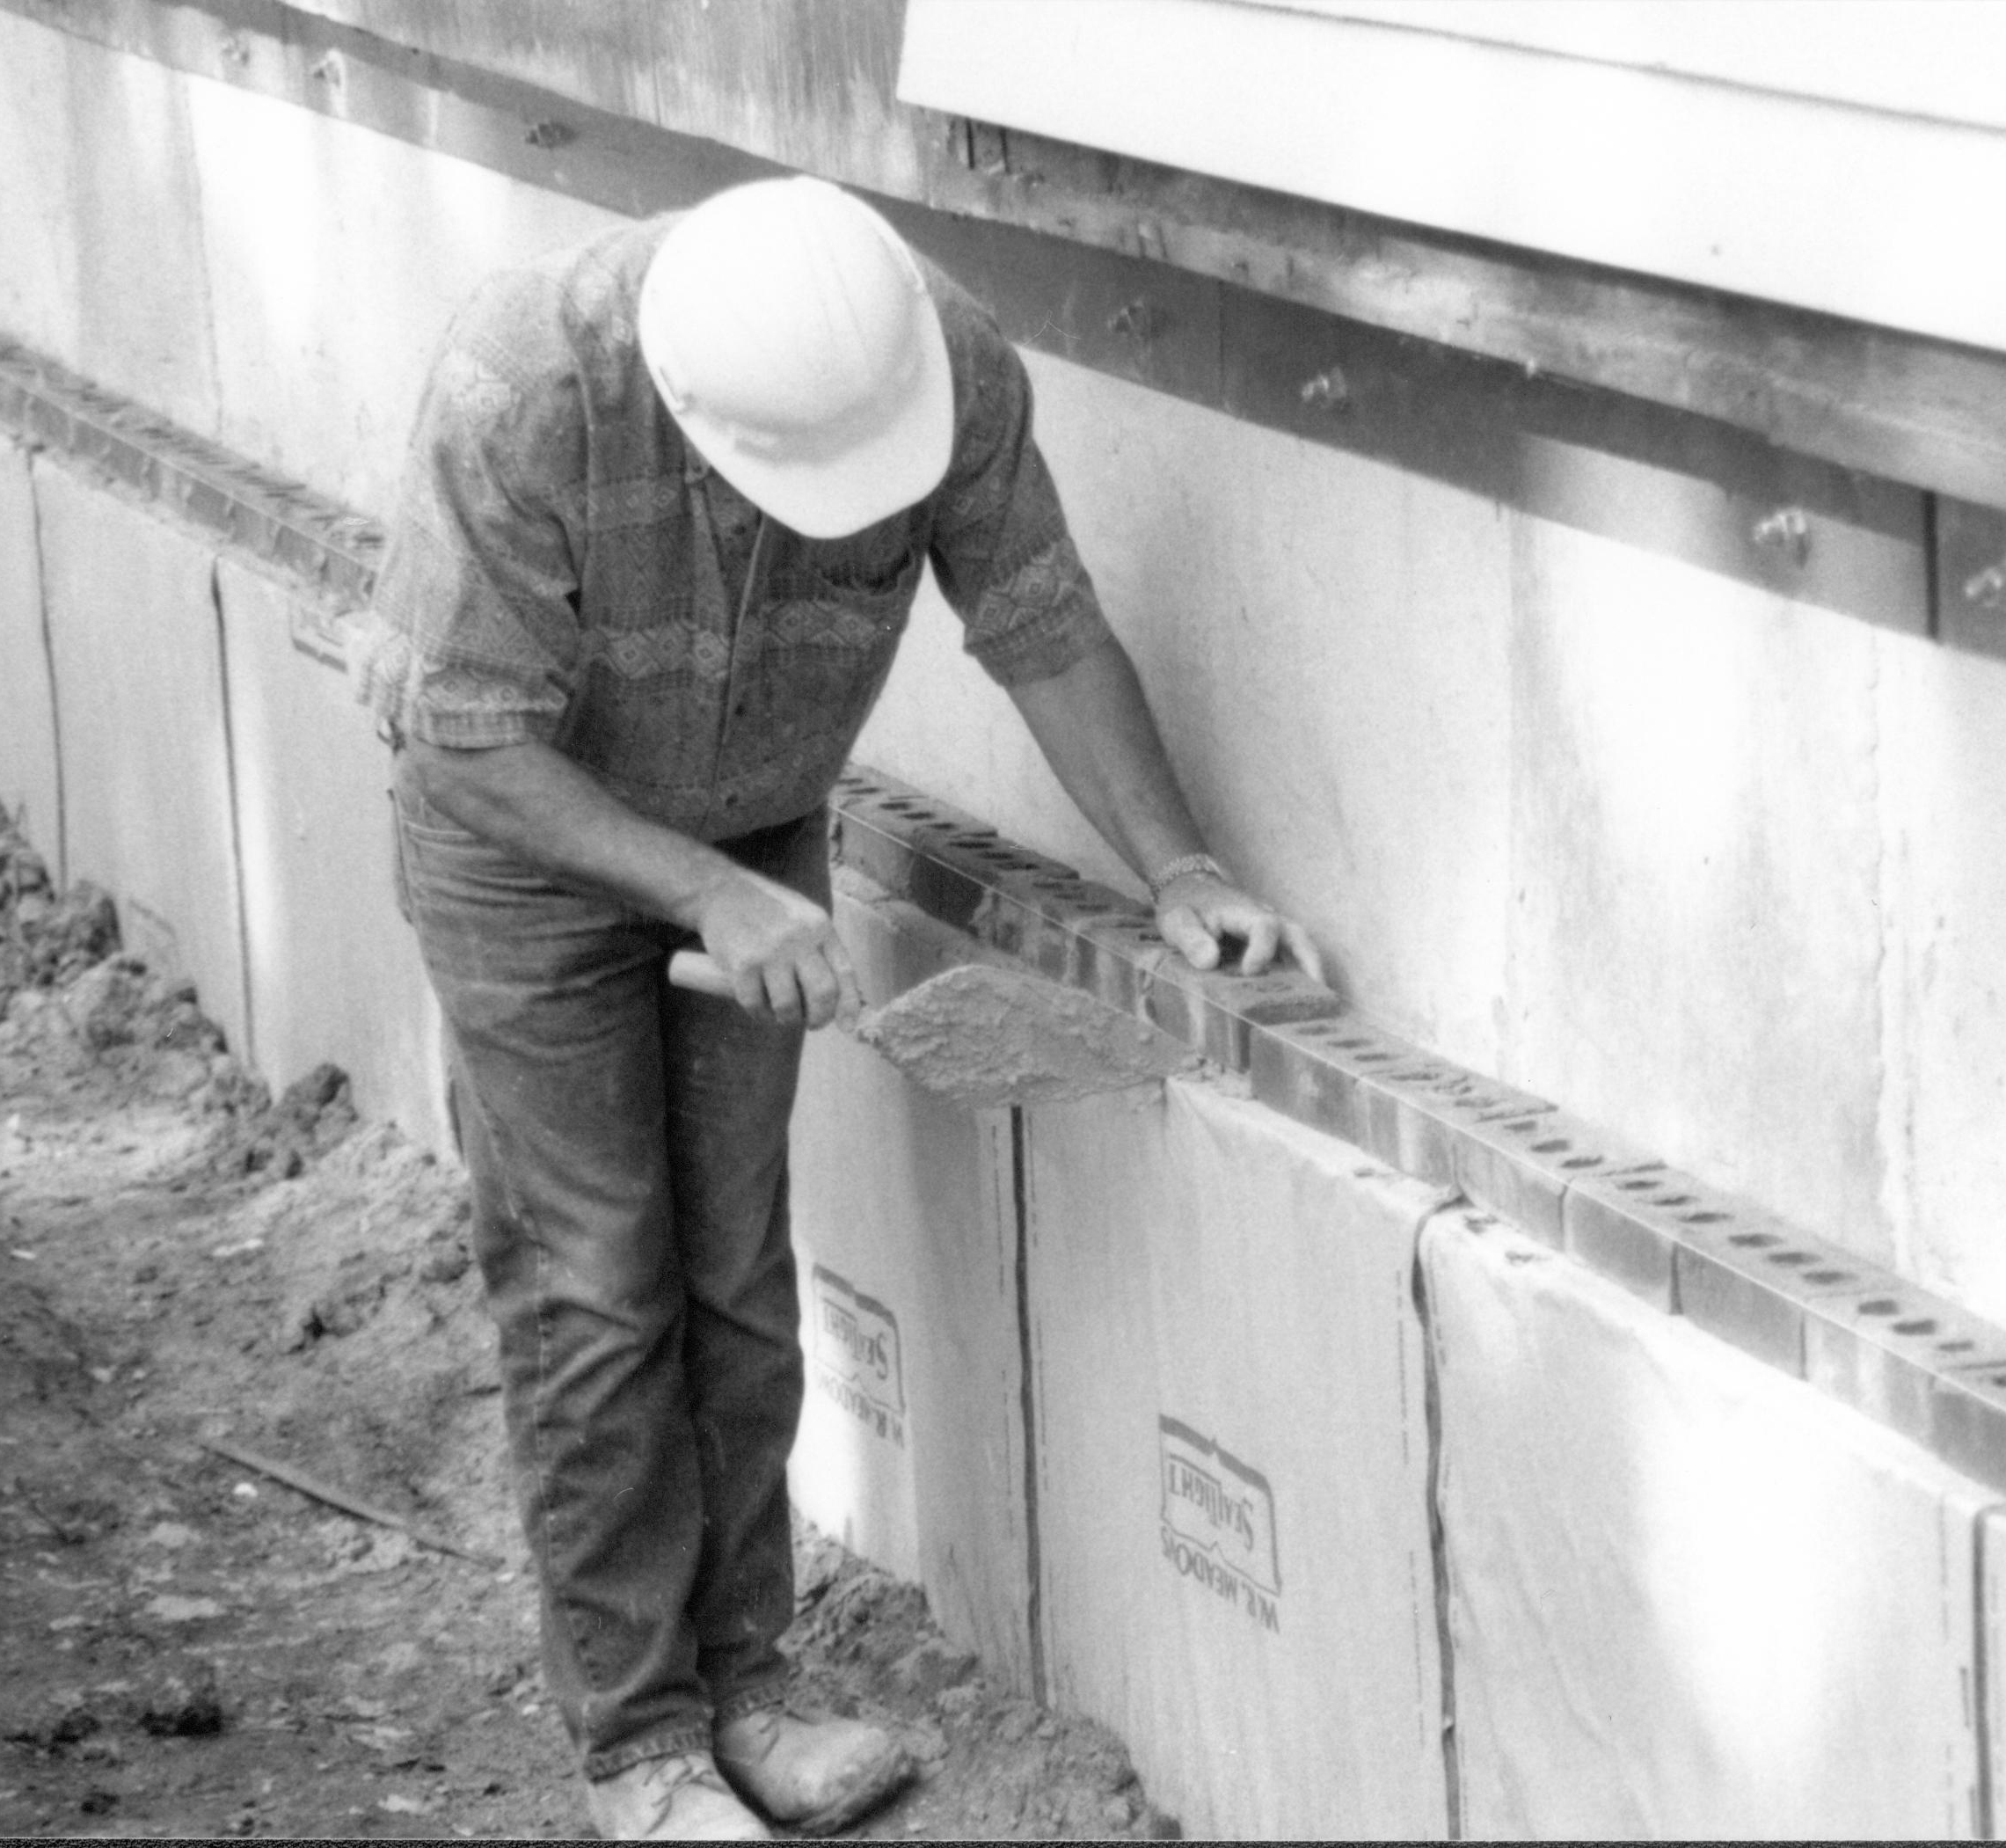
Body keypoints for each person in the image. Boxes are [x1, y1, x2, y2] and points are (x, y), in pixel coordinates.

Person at [362, 176, 1323, 1841]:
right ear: (683, 402)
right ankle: (639, 1742)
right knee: (596, 1280)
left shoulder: (928, 360)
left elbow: (1039, 621)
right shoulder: (521, 390)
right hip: (527, 851)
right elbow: (462, 737)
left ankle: (748, 1683)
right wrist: (707, 892)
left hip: (752, 827)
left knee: (732, 1269)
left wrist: (1177, 862)